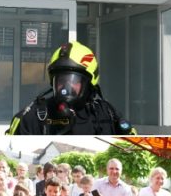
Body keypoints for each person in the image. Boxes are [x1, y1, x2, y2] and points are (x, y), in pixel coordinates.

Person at [7, 42, 135, 135]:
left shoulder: (107, 114)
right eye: (61, 80)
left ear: (89, 84)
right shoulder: (34, 116)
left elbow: (131, 137)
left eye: (73, 81)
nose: (66, 86)